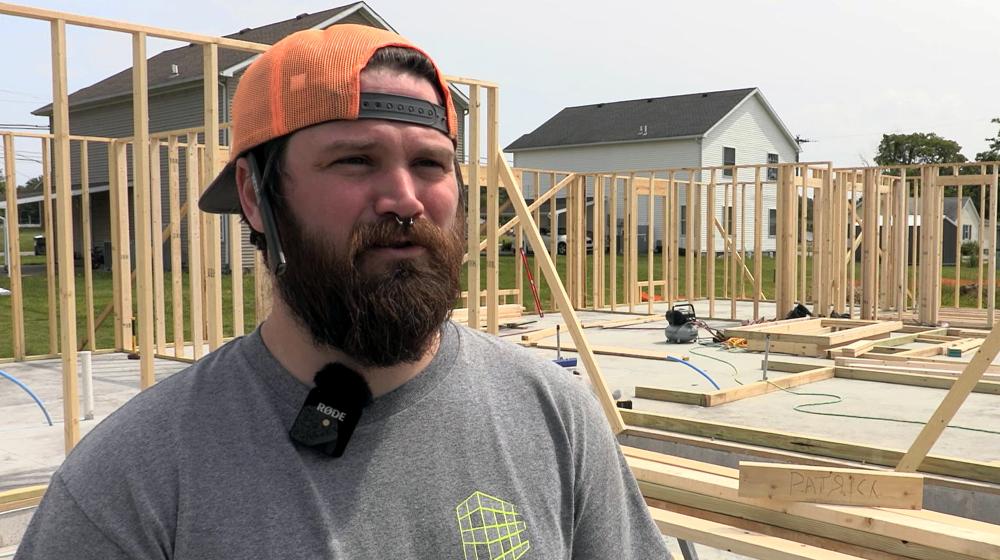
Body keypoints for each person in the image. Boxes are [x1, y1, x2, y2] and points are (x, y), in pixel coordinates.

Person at [16, 24, 669, 559]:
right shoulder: (134, 482)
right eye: (354, 160)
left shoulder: (556, 417)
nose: (406, 199)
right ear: (254, 194)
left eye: (430, 164)